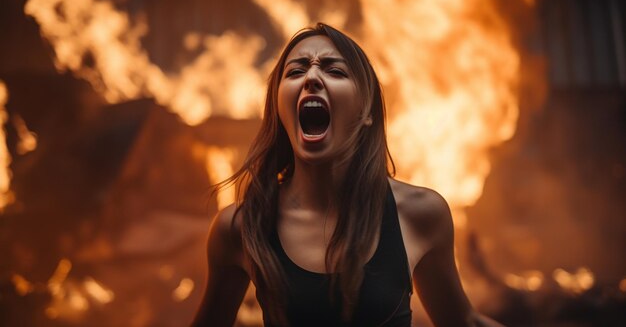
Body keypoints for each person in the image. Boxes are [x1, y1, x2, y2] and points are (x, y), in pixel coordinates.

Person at [191, 23, 504, 327]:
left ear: (367, 112)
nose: (311, 76)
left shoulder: (421, 213)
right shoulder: (239, 227)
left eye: (335, 70)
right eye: (296, 71)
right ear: (278, 109)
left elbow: (464, 321)